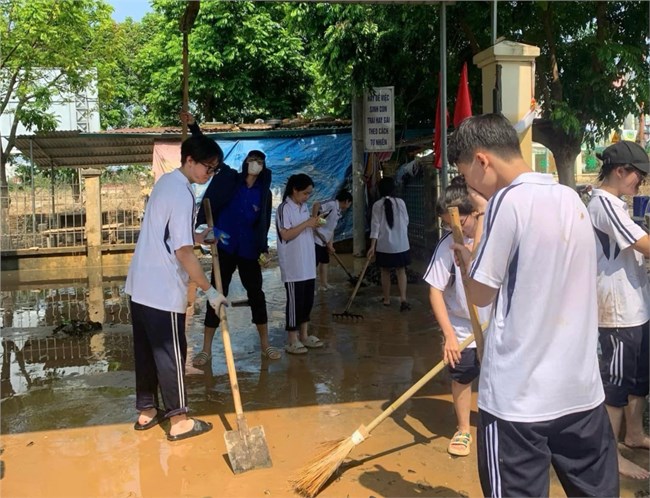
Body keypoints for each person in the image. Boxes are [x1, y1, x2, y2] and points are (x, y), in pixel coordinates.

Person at [448, 113, 618, 497]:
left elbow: (481, 294)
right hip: (581, 395)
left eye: (466, 175)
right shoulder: (569, 197)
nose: (470, 186)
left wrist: (466, 260)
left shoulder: (505, 202)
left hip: (518, 402)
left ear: (482, 160)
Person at [125, 134, 228, 441]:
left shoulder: (165, 184)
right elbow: (182, 253)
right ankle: (180, 419)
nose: (209, 174)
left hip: (139, 287)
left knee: (146, 351)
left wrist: (198, 237)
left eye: (214, 169)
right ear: (189, 161)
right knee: (171, 353)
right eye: (207, 167)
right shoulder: (183, 194)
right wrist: (210, 291)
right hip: (161, 290)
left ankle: (147, 411)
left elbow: (170, 237)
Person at [180, 112, 280, 365]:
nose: (254, 163)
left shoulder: (263, 193)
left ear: (263, 167)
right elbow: (208, 152)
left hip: (247, 250)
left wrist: (262, 247)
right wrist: (193, 126)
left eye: (259, 161)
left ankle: (265, 346)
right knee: (216, 293)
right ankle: (205, 350)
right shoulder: (229, 179)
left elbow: (263, 222)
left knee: (256, 295)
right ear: (245, 162)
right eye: (252, 159)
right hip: (223, 248)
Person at [587, 140, 650, 480]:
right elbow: (642, 243)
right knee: (616, 384)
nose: (639, 182)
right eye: (638, 176)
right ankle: (609, 455)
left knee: (638, 378)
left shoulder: (618, 204)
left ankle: (635, 434)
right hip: (616, 312)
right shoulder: (604, 203)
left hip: (636, 306)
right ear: (619, 171)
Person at [424, 175, 490, 457]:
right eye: (446, 223)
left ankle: (496, 425)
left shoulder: (495, 236)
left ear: (473, 213)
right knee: (462, 377)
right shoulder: (447, 246)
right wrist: (449, 335)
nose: (452, 228)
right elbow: (435, 291)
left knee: (498, 377)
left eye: (457, 221)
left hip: (495, 322)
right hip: (462, 326)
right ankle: (464, 429)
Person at [276, 173, 323, 354]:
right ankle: (292, 339)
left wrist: (315, 222)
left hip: (307, 263)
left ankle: (304, 335)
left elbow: (306, 228)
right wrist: (307, 223)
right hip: (293, 265)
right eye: (305, 193)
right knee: (294, 303)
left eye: (309, 194)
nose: (307, 197)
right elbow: (285, 235)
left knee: (307, 301)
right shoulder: (284, 208)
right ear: (294, 190)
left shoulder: (303, 207)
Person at [367, 177, 411, 311]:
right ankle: (403, 299)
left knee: (384, 271)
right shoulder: (400, 203)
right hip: (402, 245)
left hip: (384, 246)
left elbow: (375, 226)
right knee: (401, 271)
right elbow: (406, 221)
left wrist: (372, 246)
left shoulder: (377, 205)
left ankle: (386, 299)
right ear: (393, 189)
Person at [313, 189, 353, 291]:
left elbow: (331, 229)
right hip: (316, 239)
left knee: (325, 261)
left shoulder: (338, 212)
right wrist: (313, 219)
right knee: (313, 265)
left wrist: (331, 244)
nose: (348, 206)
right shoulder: (332, 204)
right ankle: (309, 287)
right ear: (346, 201)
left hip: (324, 241)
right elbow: (316, 204)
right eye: (349, 204)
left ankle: (324, 284)